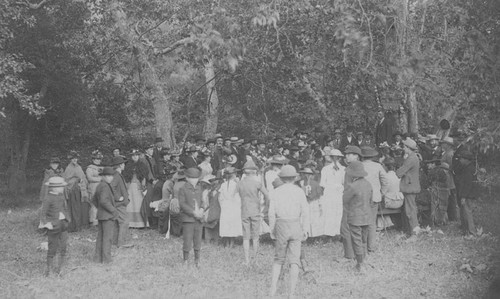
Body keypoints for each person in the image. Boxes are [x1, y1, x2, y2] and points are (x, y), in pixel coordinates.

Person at [269, 165, 309, 298]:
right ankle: (291, 293)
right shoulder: (299, 191)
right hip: (295, 224)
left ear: (281, 178)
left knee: (278, 259)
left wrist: (272, 229)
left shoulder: (276, 192)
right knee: (294, 260)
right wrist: (305, 228)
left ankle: (273, 289)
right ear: (294, 178)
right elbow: (305, 212)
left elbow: (271, 213)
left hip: (281, 224)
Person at [237, 160, 270, 265]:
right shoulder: (257, 183)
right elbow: (267, 196)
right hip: (255, 210)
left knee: (246, 237)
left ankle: (246, 260)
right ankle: (255, 261)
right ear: (254, 172)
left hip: (244, 210)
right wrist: (265, 209)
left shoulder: (239, 183)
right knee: (256, 237)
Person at [342, 161, 372, 273]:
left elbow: (344, 200)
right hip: (367, 216)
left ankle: (360, 265)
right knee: (364, 240)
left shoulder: (352, 186)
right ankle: (364, 260)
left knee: (356, 240)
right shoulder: (368, 184)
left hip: (355, 217)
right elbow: (371, 200)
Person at [40, 176, 69, 276]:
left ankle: (61, 269)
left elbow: (65, 208)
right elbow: (43, 213)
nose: (63, 188)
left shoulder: (61, 196)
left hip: (63, 225)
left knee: (63, 247)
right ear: (55, 187)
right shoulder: (48, 198)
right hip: (53, 226)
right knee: (52, 248)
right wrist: (47, 223)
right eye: (61, 187)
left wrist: (67, 218)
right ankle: (49, 270)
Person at [361, 147, 388, 253]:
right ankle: (371, 247)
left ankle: (362, 246)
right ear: (372, 156)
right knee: (372, 222)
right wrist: (382, 193)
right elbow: (385, 181)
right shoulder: (378, 166)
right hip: (374, 197)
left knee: (361, 221)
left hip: (361, 197)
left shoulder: (359, 166)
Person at [178, 168, 204, 267]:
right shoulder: (183, 189)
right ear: (187, 178)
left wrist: (202, 209)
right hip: (188, 219)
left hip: (199, 219)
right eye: (192, 178)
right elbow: (182, 204)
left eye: (196, 178)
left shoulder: (199, 188)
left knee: (198, 240)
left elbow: (203, 201)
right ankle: (185, 260)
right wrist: (193, 212)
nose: (195, 180)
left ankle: (197, 260)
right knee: (187, 240)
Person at [93, 167, 119, 264]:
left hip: (101, 215)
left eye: (111, 176)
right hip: (107, 216)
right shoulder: (105, 186)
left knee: (101, 237)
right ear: (103, 176)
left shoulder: (100, 185)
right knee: (107, 238)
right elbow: (103, 201)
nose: (110, 178)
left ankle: (98, 258)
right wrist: (113, 210)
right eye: (108, 176)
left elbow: (94, 199)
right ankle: (107, 260)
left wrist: (100, 209)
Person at [396, 138, 421, 236]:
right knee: (411, 209)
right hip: (411, 186)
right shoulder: (413, 157)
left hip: (410, 187)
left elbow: (400, 172)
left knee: (410, 211)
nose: (403, 148)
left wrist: (396, 171)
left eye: (404, 147)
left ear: (408, 148)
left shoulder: (411, 158)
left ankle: (414, 233)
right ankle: (413, 231)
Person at [340, 145, 362, 260]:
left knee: (345, 227)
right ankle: (357, 252)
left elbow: (350, 187)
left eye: (349, 154)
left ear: (356, 156)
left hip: (350, 201)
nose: (346, 156)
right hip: (357, 201)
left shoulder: (351, 168)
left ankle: (349, 255)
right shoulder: (359, 167)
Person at [319, 148, 345, 237]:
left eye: (336, 158)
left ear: (339, 158)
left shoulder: (343, 169)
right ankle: (328, 233)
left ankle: (337, 232)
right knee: (329, 212)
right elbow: (322, 183)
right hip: (329, 193)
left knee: (338, 212)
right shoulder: (325, 169)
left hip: (338, 193)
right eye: (333, 157)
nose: (335, 159)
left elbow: (344, 182)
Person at [63, 150, 90, 232]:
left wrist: (83, 181)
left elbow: (83, 177)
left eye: (76, 158)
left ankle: (82, 224)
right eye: (73, 159)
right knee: (75, 208)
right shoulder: (69, 168)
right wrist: (76, 180)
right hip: (73, 191)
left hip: (81, 190)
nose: (75, 160)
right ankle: (74, 226)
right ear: (70, 160)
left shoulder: (79, 167)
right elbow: (66, 180)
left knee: (82, 207)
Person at [453, 150, 478, 236]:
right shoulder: (469, 167)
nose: (460, 160)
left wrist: (463, 196)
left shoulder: (468, 170)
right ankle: (467, 230)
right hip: (468, 194)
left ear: (467, 159)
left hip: (468, 195)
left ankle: (471, 232)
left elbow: (467, 184)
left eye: (462, 158)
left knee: (468, 213)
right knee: (466, 212)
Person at [123, 149, 149, 228]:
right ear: (131, 156)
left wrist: (143, 186)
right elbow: (126, 177)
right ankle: (131, 223)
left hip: (138, 186)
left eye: (136, 155)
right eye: (133, 155)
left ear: (138, 156)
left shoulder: (142, 165)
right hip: (130, 186)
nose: (135, 157)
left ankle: (140, 223)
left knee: (139, 204)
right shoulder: (128, 165)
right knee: (130, 204)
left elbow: (144, 176)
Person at [110, 156, 131, 248]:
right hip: (119, 204)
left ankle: (115, 242)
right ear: (120, 165)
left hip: (117, 203)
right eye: (123, 164)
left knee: (117, 222)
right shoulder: (116, 175)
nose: (124, 165)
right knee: (124, 221)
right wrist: (119, 198)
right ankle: (122, 243)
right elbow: (111, 188)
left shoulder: (117, 174)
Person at [218, 166, 242, 247]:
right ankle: (231, 243)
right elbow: (238, 197)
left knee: (226, 223)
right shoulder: (236, 184)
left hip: (225, 206)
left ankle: (226, 243)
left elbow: (220, 198)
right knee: (232, 224)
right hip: (233, 206)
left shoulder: (223, 185)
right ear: (234, 175)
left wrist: (223, 205)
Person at [298, 168, 323, 237]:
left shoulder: (315, 184)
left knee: (311, 218)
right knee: (305, 218)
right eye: (305, 174)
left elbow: (319, 195)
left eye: (308, 174)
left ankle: (312, 234)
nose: (307, 176)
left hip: (312, 203)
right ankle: (305, 234)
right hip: (305, 202)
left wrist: (320, 205)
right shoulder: (300, 183)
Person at [440, 137, 459, 221]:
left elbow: (453, 167)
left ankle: (453, 217)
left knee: (451, 198)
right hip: (446, 177)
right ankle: (451, 216)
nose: (442, 145)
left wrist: (444, 166)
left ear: (448, 145)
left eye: (444, 143)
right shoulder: (446, 153)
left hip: (450, 178)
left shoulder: (450, 154)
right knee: (449, 197)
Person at [86, 150, 103, 226]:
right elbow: (89, 178)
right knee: (94, 203)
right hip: (93, 187)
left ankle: (100, 219)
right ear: (93, 159)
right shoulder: (90, 168)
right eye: (96, 159)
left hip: (101, 187)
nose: (98, 160)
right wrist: (100, 179)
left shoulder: (101, 167)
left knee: (101, 203)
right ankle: (93, 220)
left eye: (99, 159)